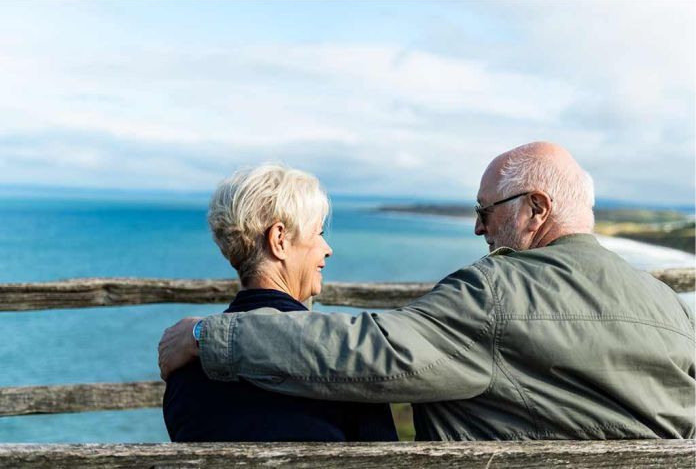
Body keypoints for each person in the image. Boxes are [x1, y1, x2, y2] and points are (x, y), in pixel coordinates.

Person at [159, 142, 695, 440]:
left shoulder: (498, 294)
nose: (478, 229)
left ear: (536, 209)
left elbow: (375, 353)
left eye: (485, 211)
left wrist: (210, 337)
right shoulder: (669, 306)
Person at [161, 164, 397, 442]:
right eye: (318, 233)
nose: (327, 249)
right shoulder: (347, 362)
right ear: (279, 240)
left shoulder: (184, 370)